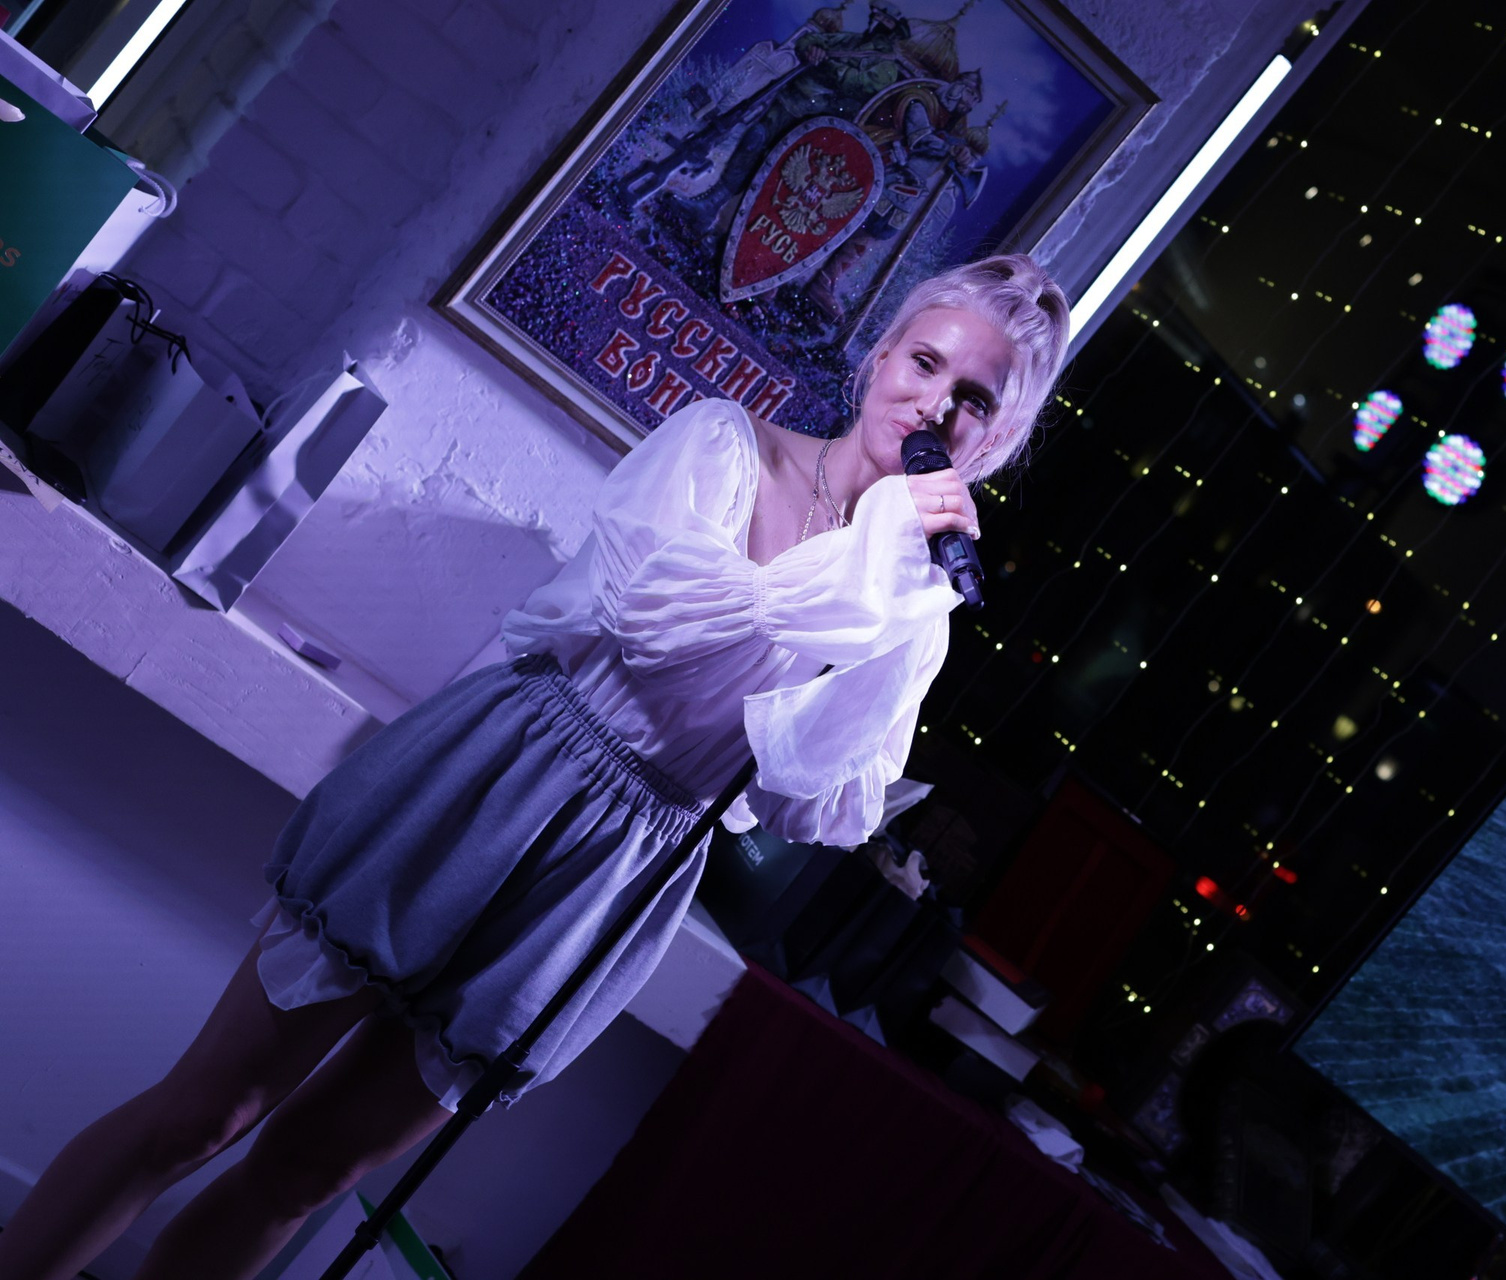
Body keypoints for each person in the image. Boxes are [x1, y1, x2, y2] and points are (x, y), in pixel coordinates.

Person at [0, 252, 1070, 1280]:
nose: (936, 406)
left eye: (974, 400)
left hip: (626, 867)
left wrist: (895, 603)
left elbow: (813, 806)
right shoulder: (725, 445)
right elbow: (653, 622)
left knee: (305, 1173)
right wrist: (860, 557)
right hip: (514, 767)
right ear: (880, 356)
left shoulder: (908, 597)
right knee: (208, 1113)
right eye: (925, 362)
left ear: (997, 438)